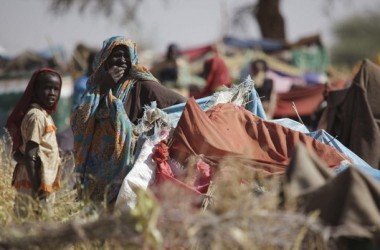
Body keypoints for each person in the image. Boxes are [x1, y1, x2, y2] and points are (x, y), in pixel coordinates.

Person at [71, 36, 186, 207]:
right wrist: (103, 88)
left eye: (126, 55)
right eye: (116, 55)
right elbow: (78, 122)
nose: (122, 60)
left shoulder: (141, 85)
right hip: (95, 168)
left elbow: (178, 102)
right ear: (105, 59)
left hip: (125, 163)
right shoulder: (96, 87)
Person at [5, 68, 62, 218]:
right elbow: (30, 155)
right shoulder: (36, 116)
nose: (52, 93)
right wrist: (37, 190)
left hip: (36, 179)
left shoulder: (43, 114)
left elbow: (18, 154)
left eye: (56, 89)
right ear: (35, 91)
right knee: (34, 223)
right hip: (35, 181)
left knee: (30, 222)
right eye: (47, 88)